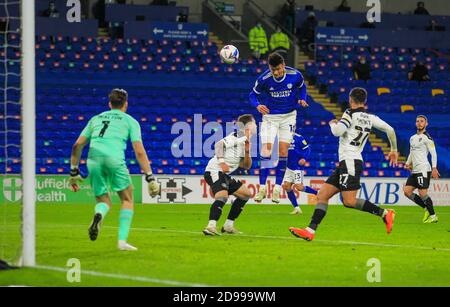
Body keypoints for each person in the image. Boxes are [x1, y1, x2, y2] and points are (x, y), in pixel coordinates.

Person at [289, 88, 399, 241]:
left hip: (350, 161)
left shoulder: (349, 113)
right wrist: (393, 149)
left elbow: (337, 132)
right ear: (364, 101)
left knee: (349, 201)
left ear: (350, 99)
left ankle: (386, 214)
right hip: (347, 163)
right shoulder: (370, 117)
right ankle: (310, 231)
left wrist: (333, 123)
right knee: (322, 195)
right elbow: (390, 130)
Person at [69, 89, 160, 251]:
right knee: (127, 199)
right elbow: (139, 151)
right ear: (126, 104)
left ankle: (99, 215)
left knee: (103, 200)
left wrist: (74, 171)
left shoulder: (96, 119)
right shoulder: (130, 121)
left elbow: (77, 145)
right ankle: (121, 243)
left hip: (93, 159)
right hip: (114, 159)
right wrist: (150, 177)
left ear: (109, 104)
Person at [250, 52, 308, 204]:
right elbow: (252, 95)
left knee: (283, 151)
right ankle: (262, 188)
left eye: (278, 69)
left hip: (289, 116)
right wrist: (257, 105)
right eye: (272, 69)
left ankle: (276, 188)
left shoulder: (295, 75)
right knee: (266, 150)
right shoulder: (264, 79)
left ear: (283, 65)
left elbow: (303, 88)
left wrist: (303, 99)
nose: (275, 72)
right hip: (270, 117)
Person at [202, 114, 256, 235]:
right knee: (222, 196)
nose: (256, 126)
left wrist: (247, 152)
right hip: (214, 170)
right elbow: (219, 145)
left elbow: (246, 166)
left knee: (246, 194)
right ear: (249, 125)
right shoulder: (238, 136)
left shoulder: (246, 141)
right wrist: (222, 163)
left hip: (224, 174)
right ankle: (211, 226)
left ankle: (228, 225)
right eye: (254, 123)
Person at [403, 115, 439, 223]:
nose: (419, 123)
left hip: (423, 169)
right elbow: (411, 152)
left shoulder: (427, 138)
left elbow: (434, 154)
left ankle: (433, 216)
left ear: (426, 124)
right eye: (417, 121)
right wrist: (407, 163)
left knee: (423, 194)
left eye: (422, 121)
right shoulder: (412, 138)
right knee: (407, 191)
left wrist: (434, 168)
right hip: (415, 170)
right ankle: (426, 209)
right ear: (415, 123)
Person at [282, 132, 318, 215]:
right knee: (286, 186)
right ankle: (297, 208)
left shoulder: (299, 137)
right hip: (288, 167)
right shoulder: (283, 137)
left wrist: (304, 158)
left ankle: (318, 194)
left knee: (299, 187)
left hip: (297, 167)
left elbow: (307, 149)